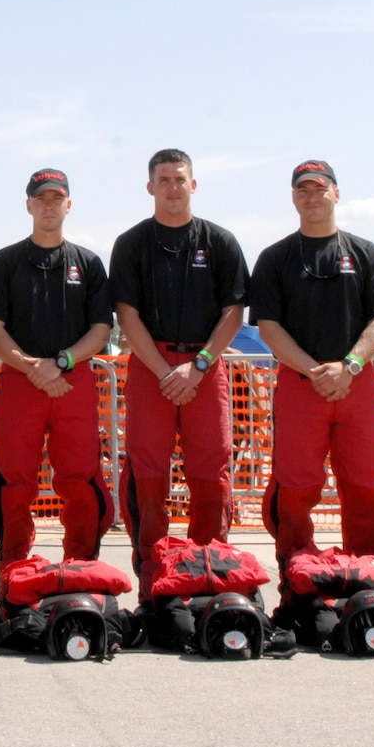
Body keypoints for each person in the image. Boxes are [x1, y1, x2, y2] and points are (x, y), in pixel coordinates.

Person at [249, 160, 374, 562]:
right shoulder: (275, 258)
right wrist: (314, 371)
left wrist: (348, 366)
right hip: (303, 387)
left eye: (319, 188)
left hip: (357, 384)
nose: (312, 196)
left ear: (337, 192)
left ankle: (368, 567)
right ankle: (296, 568)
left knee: (366, 484)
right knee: (296, 486)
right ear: (293, 197)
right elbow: (269, 327)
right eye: (303, 190)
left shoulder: (365, 253)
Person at [110, 151, 249, 560]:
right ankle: (153, 574)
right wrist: (163, 371)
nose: (173, 186)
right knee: (147, 475)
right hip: (150, 369)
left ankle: (211, 564)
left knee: (211, 473)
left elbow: (234, 312)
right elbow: (126, 314)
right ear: (150, 187)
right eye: (164, 179)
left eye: (180, 178)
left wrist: (199, 365)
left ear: (194, 184)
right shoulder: (132, 243)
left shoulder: (220, 242)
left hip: (204, 368)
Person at [0, 169, 114, 576]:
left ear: (68, 205)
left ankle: (81, 564)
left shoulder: (88, 263)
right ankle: (14, 564)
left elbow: (101, 330)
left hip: (73, 380)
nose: (49, 205)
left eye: (57, 198)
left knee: (81, 477)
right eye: (41, 199)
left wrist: (59, 363)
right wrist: (30, 366)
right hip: (21, 382)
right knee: (13, 481)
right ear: (29, 206)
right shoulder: (5, 262)